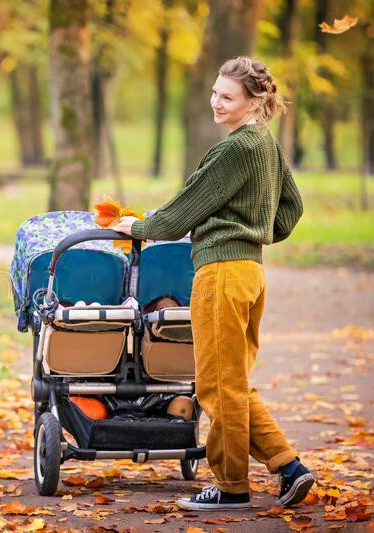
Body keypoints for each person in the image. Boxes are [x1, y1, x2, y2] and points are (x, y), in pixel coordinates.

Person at [113, 56, 313, 511]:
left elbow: (182, 210)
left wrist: (137, 227)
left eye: (227, 97)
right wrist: (256, 233)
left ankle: (231, 487)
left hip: (221, 274)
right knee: (233, 383)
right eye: (214, 93)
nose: (216, 103)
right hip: (250, 273)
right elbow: (291, 208)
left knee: (216, 386)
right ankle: (288, 467)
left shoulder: (234, 150)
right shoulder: (265, 144)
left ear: (255, 100)